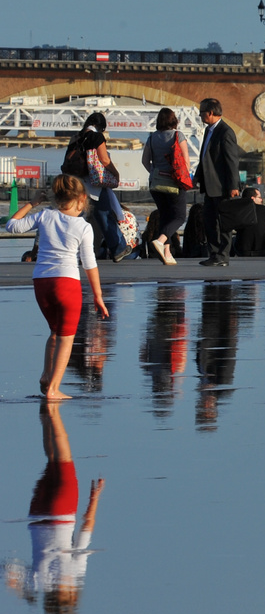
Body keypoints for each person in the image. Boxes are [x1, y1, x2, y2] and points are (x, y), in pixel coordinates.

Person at [6, 175, 110, 400]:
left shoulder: (45, 215)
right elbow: (89, 264)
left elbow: (11, 226)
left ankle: (46, 375)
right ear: (82, 199)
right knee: (67, 337)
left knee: (55, 331)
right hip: (67, 284)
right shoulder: (83, 226)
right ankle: (53, 389)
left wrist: (32, 204)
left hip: (41, 283)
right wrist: (98, 296)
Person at [5, 403, 103, 614]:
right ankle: (46, 413)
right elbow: (9, 572)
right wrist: (23, 592)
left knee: (64, 458)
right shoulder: (37, 583)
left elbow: (87, 528)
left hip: (62, 512)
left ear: (71, 598)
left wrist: (95, 497)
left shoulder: (74, 574)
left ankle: (53, 408)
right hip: (36, 515)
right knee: (52, 459)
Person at [62, 112, 132, 262]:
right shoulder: (96, 137)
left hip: (76, 183)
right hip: (94, 184)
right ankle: (118, 248)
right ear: (100, 127)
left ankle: (71, 250)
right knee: (105, 215)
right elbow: (104, 160)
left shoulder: (75, 138)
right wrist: (115, 173)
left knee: (77, 217)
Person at [193, 96, 241, 268]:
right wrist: (197, 177)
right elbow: (204, 157)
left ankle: (223, 256)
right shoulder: (209, 131)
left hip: (222, 187)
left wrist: (234, 186)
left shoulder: (225, 132)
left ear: (210, 113)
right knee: (209, 220)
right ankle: (214, 254)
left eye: (201, 113)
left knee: (224, 223)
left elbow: (231, 161)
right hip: (210, 186)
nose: (200, 116)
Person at [140, 106, 190, 265]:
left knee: (165, 216)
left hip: (156, 185)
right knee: (180, 216)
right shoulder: (178, 135)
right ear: (173, 120)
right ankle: (160, 241)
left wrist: (154, 172)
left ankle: (167, 253)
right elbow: (186, 161)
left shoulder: (151, 138)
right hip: (174, 183)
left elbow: (144, 161)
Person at [232, 187, 265, 257]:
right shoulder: (264, 209)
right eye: (259, 197)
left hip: (243, 251)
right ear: (253, 198)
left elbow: (235, 227)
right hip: (262, 250)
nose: (261, 200)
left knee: (233, 239)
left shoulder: (239, 210)